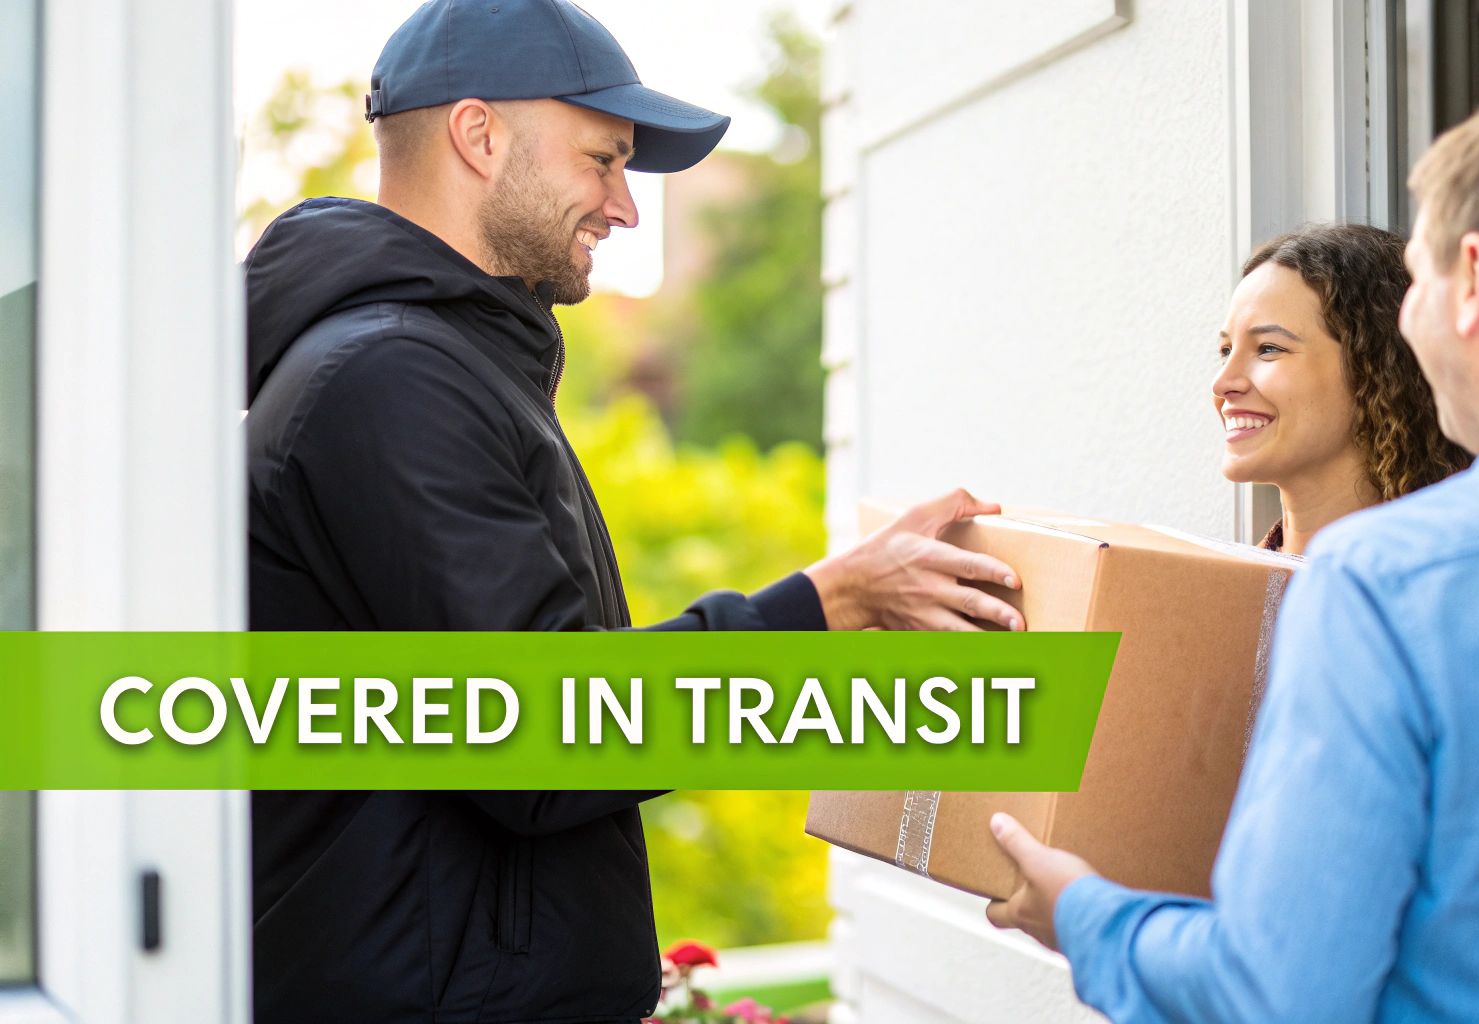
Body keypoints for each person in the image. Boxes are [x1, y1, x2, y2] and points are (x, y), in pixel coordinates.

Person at [242, 2, 1024, 1021]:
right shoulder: (393, 378)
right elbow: (542, 732)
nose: (626, 207)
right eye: (603, 160)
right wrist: (826, 604)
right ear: (478, 136)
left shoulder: (436, 365)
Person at [987, 79, 1479, 1022]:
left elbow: (1275, 995)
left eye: (1418, 284)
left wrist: (1088, 918)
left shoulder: (1389, 583)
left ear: (1474, 281)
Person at [1215, 224, 1468, 555]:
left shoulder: (1446, 581)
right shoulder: (1216, 591)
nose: (1222, 384)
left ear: (1373, 370)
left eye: (1268, 348)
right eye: (1225, 351)